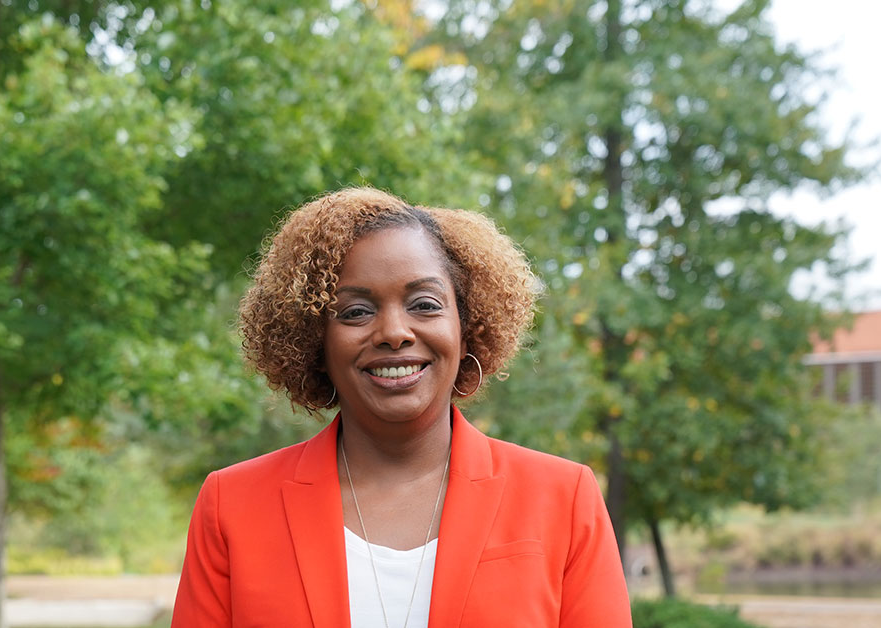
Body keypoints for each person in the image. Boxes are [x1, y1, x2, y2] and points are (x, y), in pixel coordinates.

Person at [172, 187, 632, 627]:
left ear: (467, 326)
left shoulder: (563, 498)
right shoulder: (231, 506)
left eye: (424, 304)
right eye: (355, 312)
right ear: (315, 342)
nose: (394, 331)